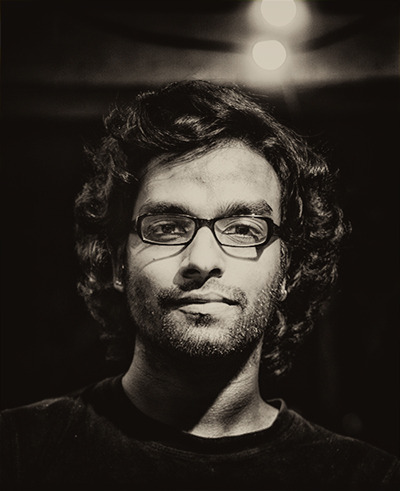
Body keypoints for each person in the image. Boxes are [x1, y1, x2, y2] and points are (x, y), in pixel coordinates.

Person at [1, 80, 398, 490]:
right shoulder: (16, 454)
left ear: (287, 270)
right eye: (167, 227)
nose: (203, 261)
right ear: (119, 263)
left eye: (243, 229)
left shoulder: (369, 479)